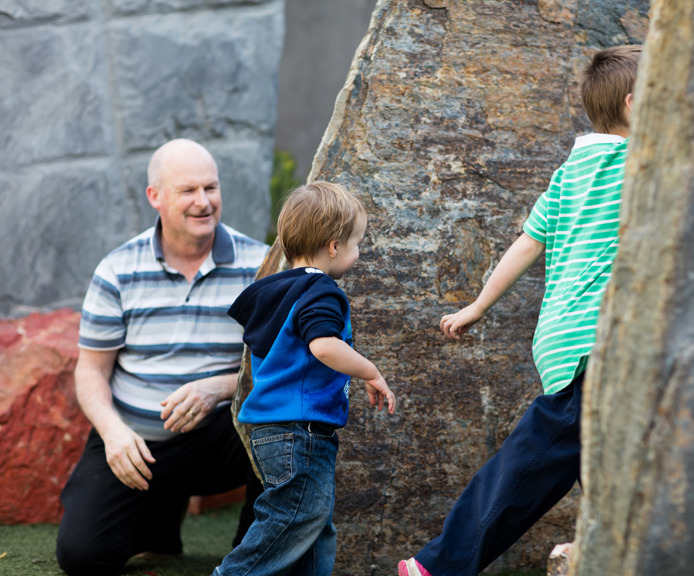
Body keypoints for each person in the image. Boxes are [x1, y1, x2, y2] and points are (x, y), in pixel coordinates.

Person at [398, 44, 642, 576]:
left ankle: (609, 552)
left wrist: (479, 306)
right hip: (593, 344)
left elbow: (528, 244)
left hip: (561, 338)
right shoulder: (637, 164)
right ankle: (436, 565)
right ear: (633, 105)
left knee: (595, 456)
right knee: (533, 463)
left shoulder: (570, 172)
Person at [56, 138, 270, 576]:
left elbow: (282, 365)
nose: (203, 202)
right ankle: (159, 522)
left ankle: (254, 550)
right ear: (155, 196)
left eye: (210, 188)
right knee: (82, 556)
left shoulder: (260, 266)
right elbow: (92, 371)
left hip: (222, 438)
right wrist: (113, 434)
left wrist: (217, 388)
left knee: (280, 420)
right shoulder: (117, 269)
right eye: (187, 191)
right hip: (137, 443)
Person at [211, 181, 397, 576]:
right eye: (357, 243)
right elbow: (324, 346)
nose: (358, 252)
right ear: (333, 246)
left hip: (271, 429)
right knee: (293, 518)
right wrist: (370, 370)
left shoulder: (276, 290)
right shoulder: (321, 291)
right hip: (300, 429)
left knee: (315, 524)